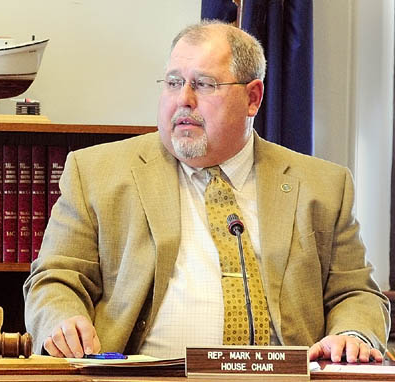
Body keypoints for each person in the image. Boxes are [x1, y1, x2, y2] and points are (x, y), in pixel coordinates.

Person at [23, 21, 390, 364]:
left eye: (203, 84)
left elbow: (355, 293)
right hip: (139, 376)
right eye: (172, 82)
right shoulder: (97, 173)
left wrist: (352, 333)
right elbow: (55, 278)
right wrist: (62, 318)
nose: (184, 100)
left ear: (253, 98)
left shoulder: (323, 186)